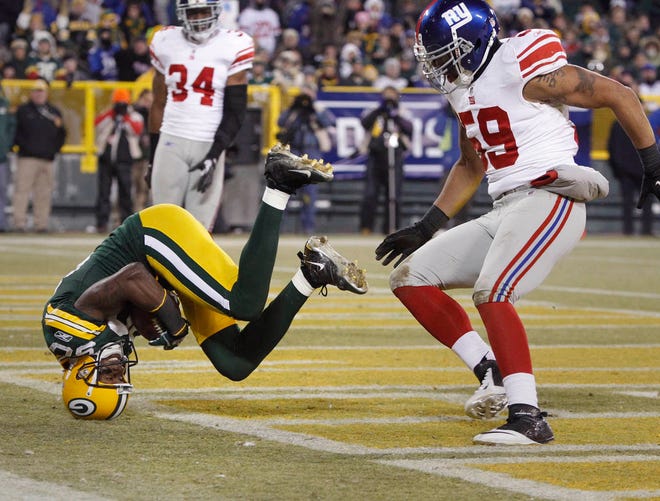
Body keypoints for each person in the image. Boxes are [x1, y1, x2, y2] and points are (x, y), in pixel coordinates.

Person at [375, 0, 660, 446]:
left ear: (471, 44)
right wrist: (428, 224)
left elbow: (618, 94)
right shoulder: (460, 89)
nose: (437, 66)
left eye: (444, 54)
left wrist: (653, 164)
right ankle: (489, 369)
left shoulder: (520, 61)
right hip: (505, 204)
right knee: (411, 278)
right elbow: (471, 165)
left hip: (552, 194)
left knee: (493, 291)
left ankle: (528, 417)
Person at [42, 144, 368, 420]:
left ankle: (279, 184)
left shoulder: (64, 330)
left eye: (109, 376)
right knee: (235, 362)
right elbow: (129, 302)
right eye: (119, 378)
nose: (118, 370)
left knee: (244, 304)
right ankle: (312, 273)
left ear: (82, 374)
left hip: (151, 237)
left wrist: (173, 322)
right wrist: (152, 316)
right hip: (161, 269)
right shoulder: (92, 345)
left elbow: (132, 278)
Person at [148, 0, 254, 231]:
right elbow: (158, 103)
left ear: (216, 11)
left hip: (207, 141)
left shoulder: (234, 44)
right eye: (193, 13)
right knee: (160, 226)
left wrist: (215, 154)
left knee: (198, 232)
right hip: (171, 138)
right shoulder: (165, 41)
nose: (198, 19)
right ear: (182, 14)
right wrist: (151, 156)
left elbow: (236, 111)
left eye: (204, 11)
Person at [276, 84, 334, 233]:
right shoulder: (293, 111)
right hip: (293, 150)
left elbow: (329, 122)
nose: (305, 99)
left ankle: (308, 227)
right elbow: (280, 122)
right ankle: (280, 228)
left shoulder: (318, 109)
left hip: (312, 151)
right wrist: (294, 107)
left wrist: (313, 108)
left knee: (310, 192)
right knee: (285, 189)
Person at [12, 78, 66, 233]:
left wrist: (54, 150)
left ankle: (41, 224)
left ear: (46, 93)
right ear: (31, 93)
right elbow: (16, 132)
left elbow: (62, 133)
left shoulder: (53, 112)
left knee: (44, 193)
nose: (39, 94)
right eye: (36, 91)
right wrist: (23, 146)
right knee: (22, 190)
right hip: (27, 158)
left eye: (41, 91)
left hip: (47, 159)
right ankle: (19, 223)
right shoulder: (23, 110)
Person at [358, 85, 413, 235]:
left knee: (393, 195)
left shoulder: (402, 112)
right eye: (386, 95)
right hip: (375, 156)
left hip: (395, 157)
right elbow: (364, 123)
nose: (389, 98)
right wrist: (380, 110)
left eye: (392, 95)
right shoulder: (374, 111)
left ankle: (390, 228)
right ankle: (366, 227)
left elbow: (410, 129)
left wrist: (395, 116)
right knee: (370, 194)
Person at [93, 87, 144, 233]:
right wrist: (113, 113)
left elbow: (137, 129)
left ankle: (125, 223)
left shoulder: (134, 116)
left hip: (125, 159)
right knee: (104, 192)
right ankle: (101, 222)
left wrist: (125, 116)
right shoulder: (109, 114)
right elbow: (97, 124)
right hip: (106, 158)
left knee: (126, 192)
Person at [608, 120, 654, 235]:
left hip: (626, 170)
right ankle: (646, 231)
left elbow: (612, 147)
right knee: (646, 201)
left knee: (627, 202)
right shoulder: (645, 123)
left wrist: (618, 168)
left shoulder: (618, 124)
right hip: (641, 170)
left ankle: (628, 230)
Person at [0, 81, 16, 233]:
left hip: (1, 156)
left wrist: (6, 146)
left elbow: (11, 127)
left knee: (2, 191)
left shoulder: (4, 104)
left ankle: (1, 223)